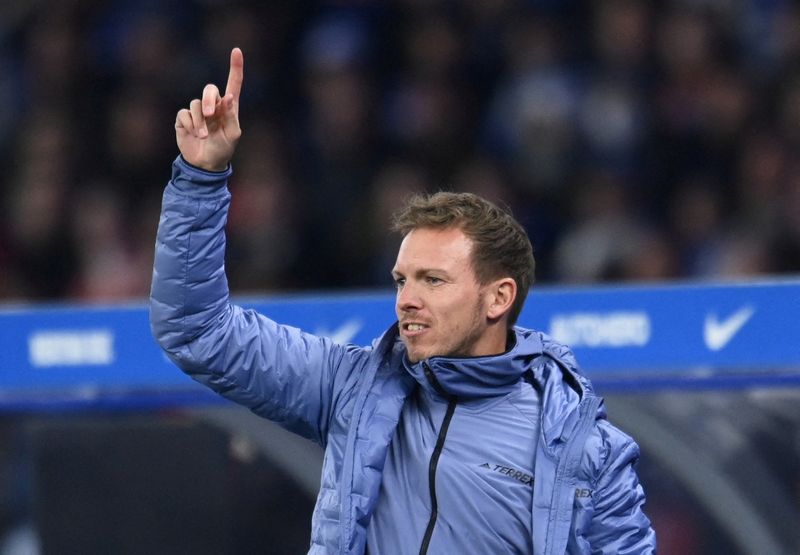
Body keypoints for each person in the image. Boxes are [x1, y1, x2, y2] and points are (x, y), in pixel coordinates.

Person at [150, 47, 656, 555]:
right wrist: (200, 178)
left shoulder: (585, 450)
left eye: (433, 280)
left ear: (499, 297)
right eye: (401, 281)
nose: (407, 300)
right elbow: (197, 330)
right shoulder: (351, 389)